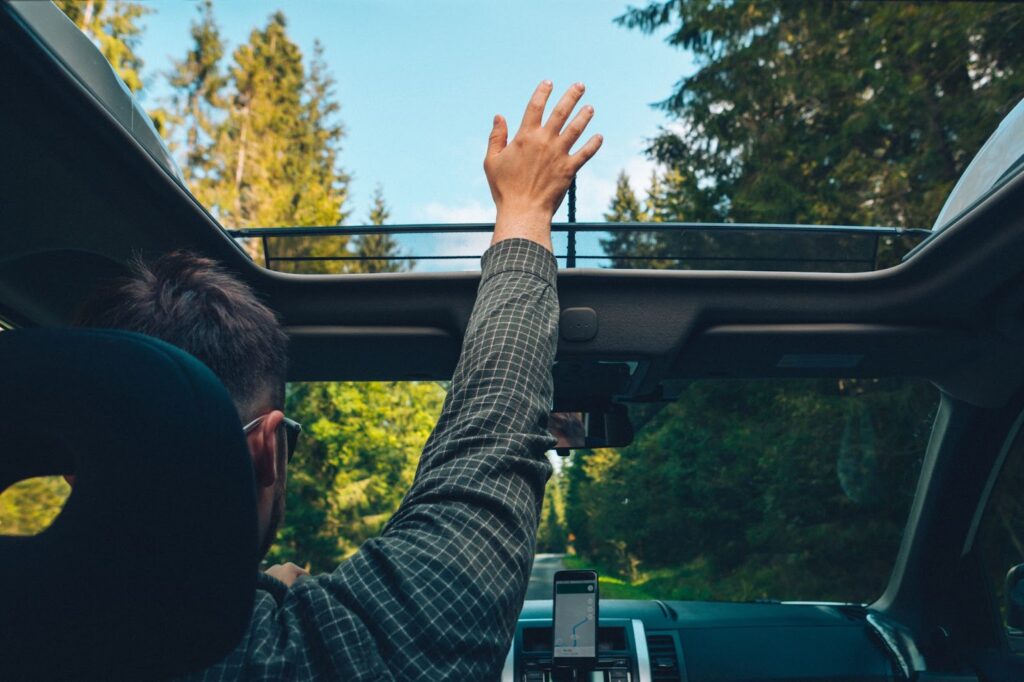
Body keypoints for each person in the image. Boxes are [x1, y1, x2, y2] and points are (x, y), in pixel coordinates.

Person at [76, 80, 602, 680]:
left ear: (71, 467)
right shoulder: (311, 656)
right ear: (266, 448)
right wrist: (526, 207)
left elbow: (489, 445)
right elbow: (489, 444)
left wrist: (266, 591)